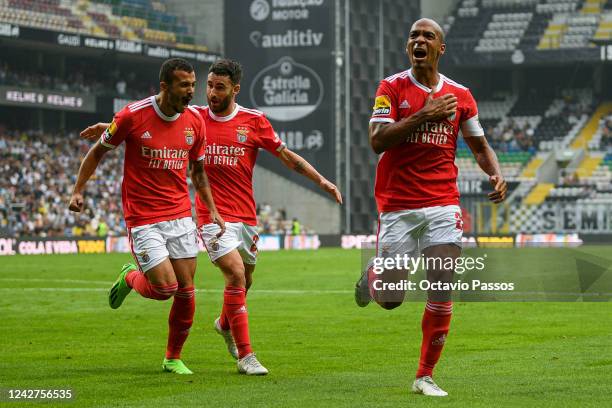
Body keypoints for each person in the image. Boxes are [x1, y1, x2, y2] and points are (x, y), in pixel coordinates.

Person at [79, 59, 342, 376]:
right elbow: (150, 117)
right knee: (231, 275)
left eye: (219, 87)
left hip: (244, 216)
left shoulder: (253, 121)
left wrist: (322, 181)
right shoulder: (194, 114)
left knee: (245, 279)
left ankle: (223, 324)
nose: (210, 93)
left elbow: (287, 157)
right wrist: (108, 128)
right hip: (205, 215)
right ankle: (246, 356)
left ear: (235, 89)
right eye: (208, 86)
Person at [354, 19, 507, 397]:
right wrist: (425, 114)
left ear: (441, 48)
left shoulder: (461, 95)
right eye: (413, 36)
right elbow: (377, 141)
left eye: (428, 36)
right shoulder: (392, 87)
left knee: (442, 285)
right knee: (391, 300)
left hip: (443, 202)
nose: (419, 40)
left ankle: (425, 376)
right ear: (409, 47)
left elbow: (480, 145)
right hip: (398, 205)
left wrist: (495, 173)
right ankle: (373, 275)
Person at [72, 58, 224, 375]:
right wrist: (78, 190)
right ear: (165, 86)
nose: (191, 92)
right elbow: (98, 150)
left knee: (186, 289)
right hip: (143, 217)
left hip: (180, 214)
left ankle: (172, 357)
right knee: (164, 289)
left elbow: (197, 171)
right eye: (184, 85)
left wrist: (212, 209)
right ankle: (130, 276)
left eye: (193, 85)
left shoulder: (194, 122)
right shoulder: (132, 115)